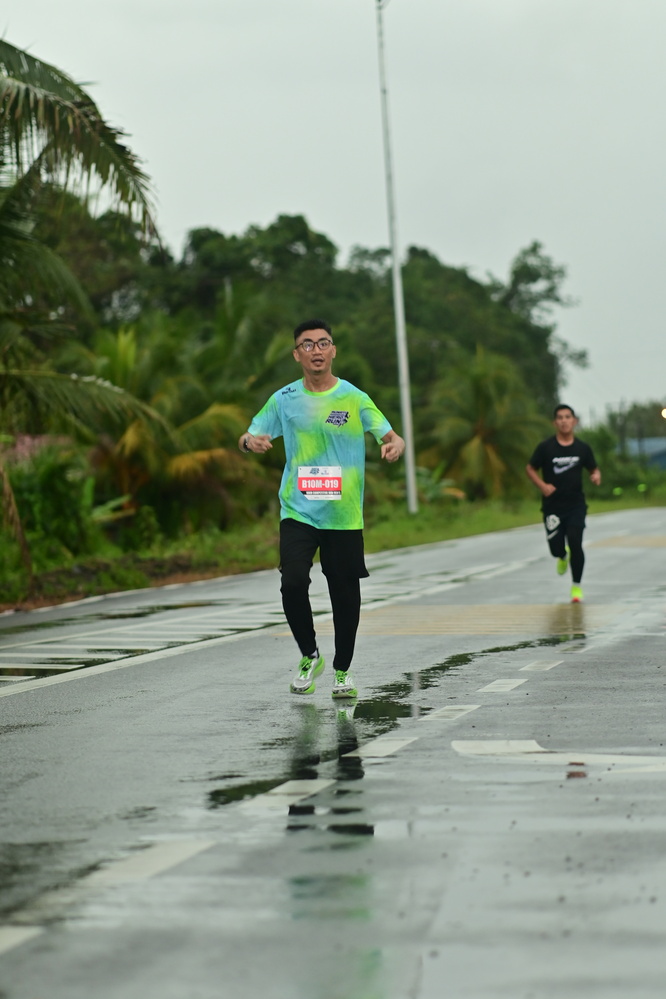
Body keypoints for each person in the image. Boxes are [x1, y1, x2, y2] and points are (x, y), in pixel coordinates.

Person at [238, 318, 405, 699]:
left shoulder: (354, 398)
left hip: (343, 515)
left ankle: (342, 670)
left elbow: (392, 436)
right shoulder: (284, 399)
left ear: (333, 351)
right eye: (308, 344)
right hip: (298, 510)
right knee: (293, 581)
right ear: (297, 355)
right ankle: (309, 654)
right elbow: (248, 435)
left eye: (323, 343)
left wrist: (394, 445)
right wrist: (250, 442)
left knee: (344, 595)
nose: (316, 350)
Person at [526, 404, 601, 603]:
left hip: (576, 505)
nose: (564, 421)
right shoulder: (545, 447)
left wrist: (596, 476)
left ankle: (576, 587)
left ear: (574, 421)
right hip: (552, 506)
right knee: (556, 548)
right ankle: (561, 556)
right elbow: (530, 468)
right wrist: (542, 485)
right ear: (555, 422)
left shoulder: (582, 448)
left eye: (567, 417)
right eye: (560, 418)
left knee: (575, 542)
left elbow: (593, 468)